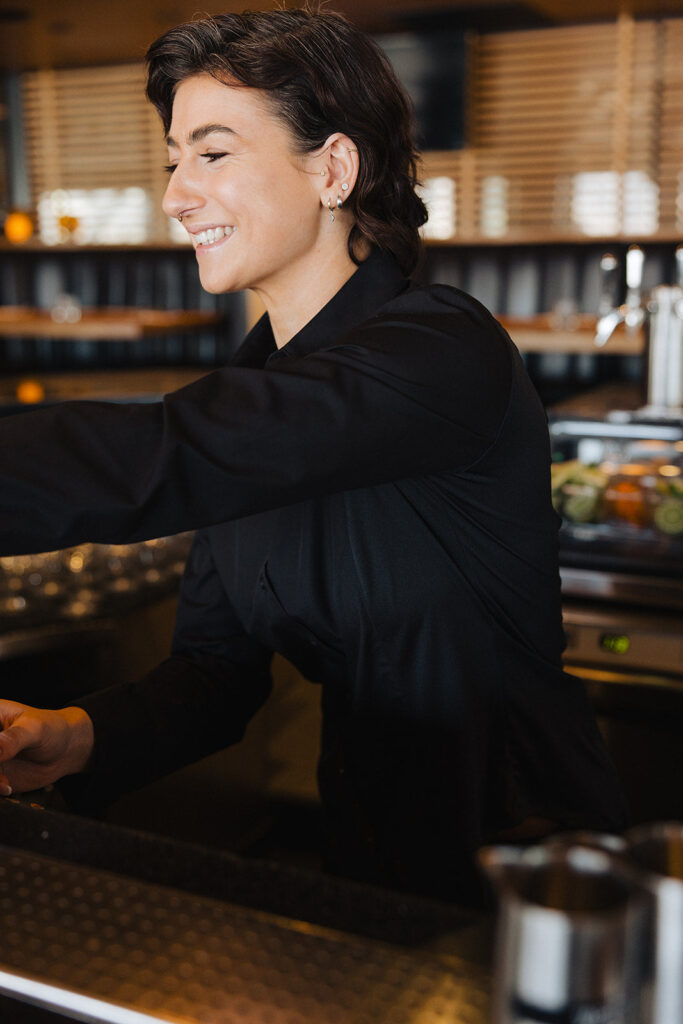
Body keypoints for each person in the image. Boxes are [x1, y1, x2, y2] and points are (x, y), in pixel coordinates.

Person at [0, 6, 628, 904]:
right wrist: (79, 733)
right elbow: (214, 674)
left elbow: (166, 451)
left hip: (523, 859)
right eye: (174, 158)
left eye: (212, 153)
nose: (176, 194)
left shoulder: (441, 351)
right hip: (364, 852)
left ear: (333, 168)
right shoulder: (253, 395)